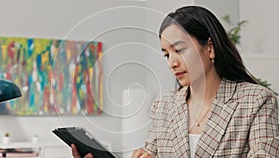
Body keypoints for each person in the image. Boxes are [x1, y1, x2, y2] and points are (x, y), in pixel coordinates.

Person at [72, 5, 279, 158]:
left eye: (179, 50)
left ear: (210, 47)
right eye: (166, 54)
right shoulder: (164, 107)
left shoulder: (256, 101)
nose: (172, 62)